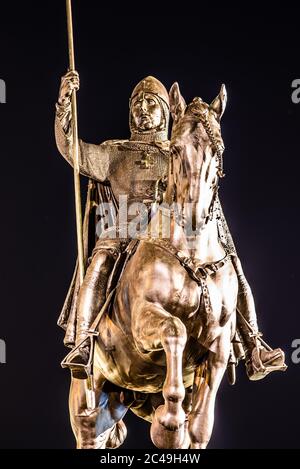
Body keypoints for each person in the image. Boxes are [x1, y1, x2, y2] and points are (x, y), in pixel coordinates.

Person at [55, 71, 285, 381]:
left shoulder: (177, 149)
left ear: (166, 111)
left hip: (176, 230)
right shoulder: (114, 152)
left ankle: (252, 344)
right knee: (99, 260)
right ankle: (83, 340)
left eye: (151, 102)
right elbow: (74, 151)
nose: (143, 108)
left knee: (231, 264)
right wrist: (63, 106)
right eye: (137, 102)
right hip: (125, 226)